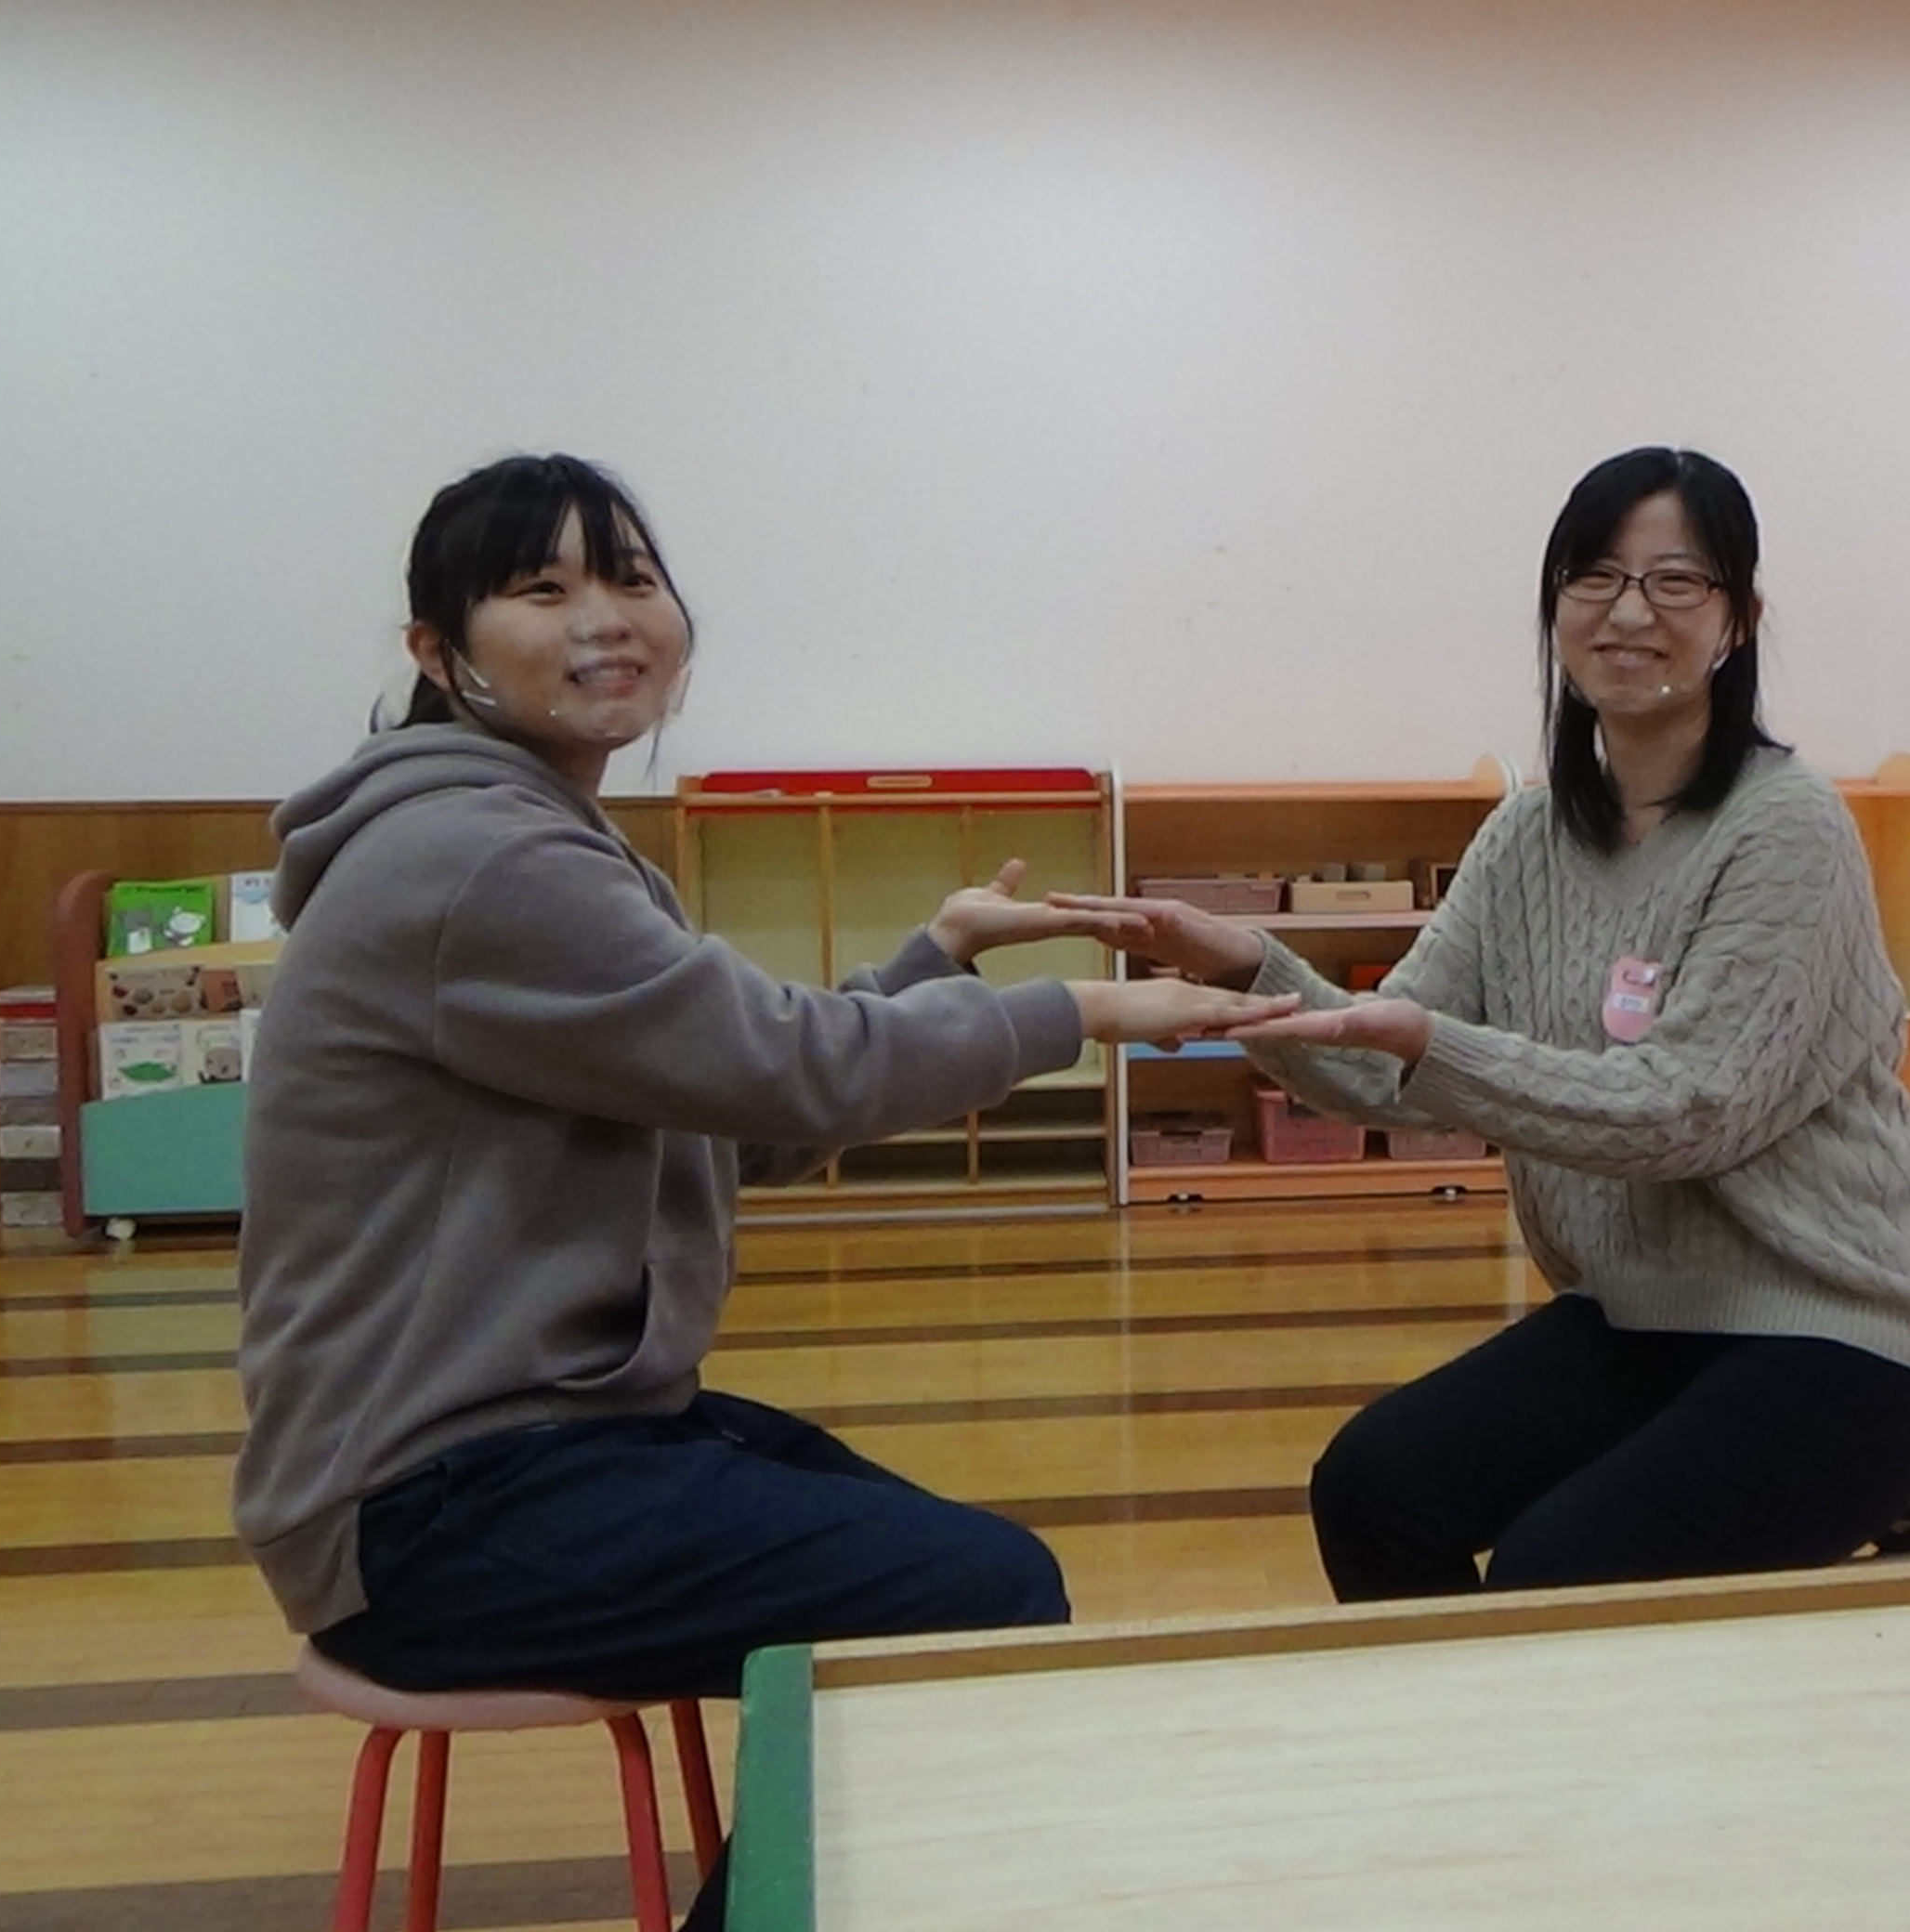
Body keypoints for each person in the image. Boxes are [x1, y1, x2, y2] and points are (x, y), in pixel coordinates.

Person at [230, 453, 1281, 1929]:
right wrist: (1079, 1014)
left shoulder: (527, 834)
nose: (606, 618)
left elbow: (738, 1119)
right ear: (439, 650)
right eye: (542, 590)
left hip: (541, 1446)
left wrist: (934, 958)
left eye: (631, 579)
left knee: (964, 1589)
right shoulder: (480, 858)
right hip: (430, 1511)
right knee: (972, 1596)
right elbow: (794, 1074)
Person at [1066, 446, 1910, 1600]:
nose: (1629, 611)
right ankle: (1470, 1718)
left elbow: (1684, 1110)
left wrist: (1427, 1044)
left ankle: (1539, 1717)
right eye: (1595, 576)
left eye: (1675, 580)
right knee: (1373, 1484)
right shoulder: (1523, 838)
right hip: (1643, 1311)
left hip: (1848, 1329)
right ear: (1557, 606)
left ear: (1737, 620)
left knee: (1560, 1571)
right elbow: (1380, 1072)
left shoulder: (1786, 829)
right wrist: (1249, 966)